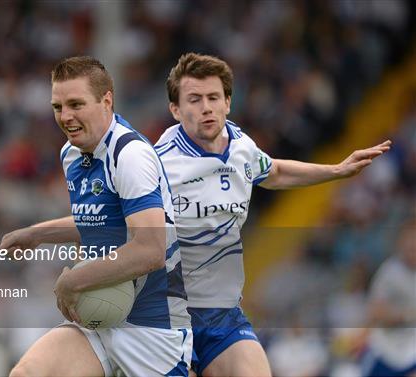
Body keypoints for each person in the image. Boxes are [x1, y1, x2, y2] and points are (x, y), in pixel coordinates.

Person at [154, 52, 391, 377]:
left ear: (228, 103)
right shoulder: (158, 164)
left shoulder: (239, 145)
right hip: (168, 317)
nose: (206, 107)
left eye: (213, 97)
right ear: (176, 110)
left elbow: (275, 171)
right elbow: (122, 223)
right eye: (194, 99)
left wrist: (336, 170)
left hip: (222, 315)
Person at [0, 56, 192, 377]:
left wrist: (73, 280)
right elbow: (100, 221)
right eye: (58, 107)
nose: (66, 117)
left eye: (76, 104)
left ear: (106, 101)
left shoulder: (129, 155)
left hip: (153, 330)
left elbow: (151, 249)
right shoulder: (71, 153)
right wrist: (36, 234)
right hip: (98, 323)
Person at [362, 221, 416, 377]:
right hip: (385, 353)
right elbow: (375, 312)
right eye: (409, 245)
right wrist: (407, 315)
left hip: (411, 354)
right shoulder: (390, 273)